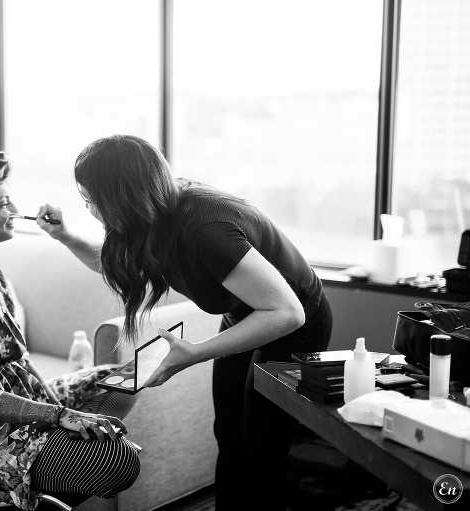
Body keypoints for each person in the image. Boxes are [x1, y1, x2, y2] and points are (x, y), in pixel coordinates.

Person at [36, 134, 333, 511]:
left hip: (295, 327)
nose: (91, 210)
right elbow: (112, 263)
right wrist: (64, 235)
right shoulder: (150, 215)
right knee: (229, 434)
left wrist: (195, 353)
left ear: (119, 197)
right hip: (246, 314)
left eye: (91, 200)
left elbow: (286, 313)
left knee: (260, 450)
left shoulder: (205, 229)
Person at [0, 144, 140, 511]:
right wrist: (60, 416)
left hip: (22, 396)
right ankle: (70, 460)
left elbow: (17, 361)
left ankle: (66, 457)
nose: (15, 210)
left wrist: (58, 411)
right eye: (3, 204)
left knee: (123, 378)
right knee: (117, 462)